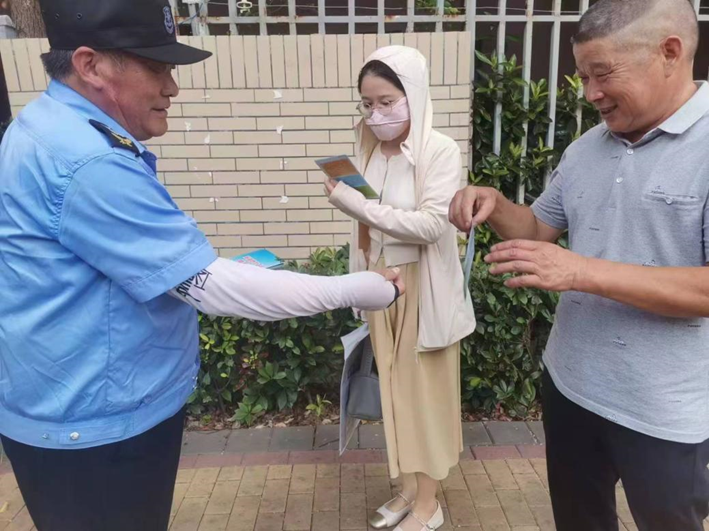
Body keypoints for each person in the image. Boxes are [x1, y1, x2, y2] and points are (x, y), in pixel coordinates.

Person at [0, 1, 404, 530]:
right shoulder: (88, 160)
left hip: (71, 413)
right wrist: (359, 288)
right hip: (96, 432)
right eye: (156, 67)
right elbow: (211, 288)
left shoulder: (46, 125)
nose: (172, 87)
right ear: (89, 65)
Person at [449, 0, 709, 529]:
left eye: (603, 74)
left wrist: (579, 272)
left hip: (665, 410)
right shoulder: (586, 149)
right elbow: (536, 229)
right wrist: (496, 204)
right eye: (584, 76)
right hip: (571, 385)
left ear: (670, 52)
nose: (590, 93)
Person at [325, 46, 476, 531]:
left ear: (413, 94)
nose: (376, 114)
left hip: (421, 290)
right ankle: (409, 490)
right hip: (382, 285)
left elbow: (432, 226)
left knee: (423, 395)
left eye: (387, 101)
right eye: (367, 104)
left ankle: (429, 504)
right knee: (392, 391)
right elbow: (366, 229)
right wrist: (360, 279)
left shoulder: (439, 150)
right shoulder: (369, 148)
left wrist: (354, 204)